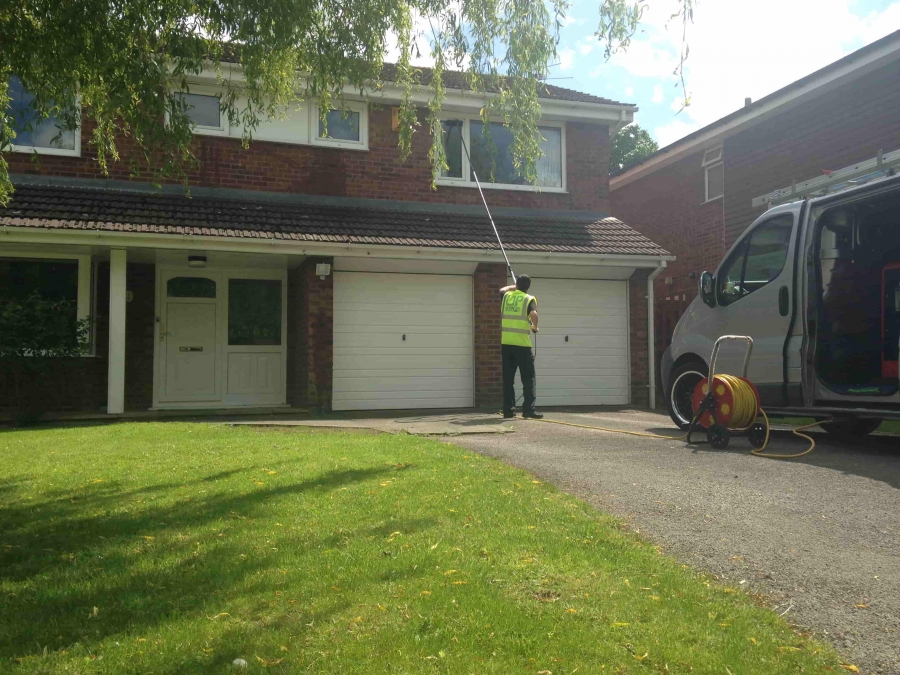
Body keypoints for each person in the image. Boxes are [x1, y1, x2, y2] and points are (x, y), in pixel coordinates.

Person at [499, 274, 542, 419]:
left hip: (507, 344)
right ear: (528, 286)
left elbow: (501, 290)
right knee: (528, 379)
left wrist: (513, 286)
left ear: (517, 284)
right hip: (522, 345)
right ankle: (528, 411)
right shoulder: (528, 298)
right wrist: (535, 327)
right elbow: (533, 313)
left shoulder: (507, 296)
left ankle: (508, 410)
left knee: (508, 380)